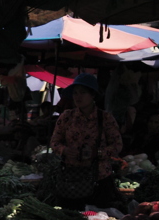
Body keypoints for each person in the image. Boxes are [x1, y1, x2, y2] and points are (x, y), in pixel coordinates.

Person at [50, 73, 123, 209]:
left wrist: (98, 153)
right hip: (71, 179)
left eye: (83, 93)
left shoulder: (105, 118)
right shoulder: (66, 117)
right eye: (75, 93)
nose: (78, 97)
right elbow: (54, 143)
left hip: (99, 179)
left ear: (93, 95)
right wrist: (64, 150)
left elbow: (117, 145)